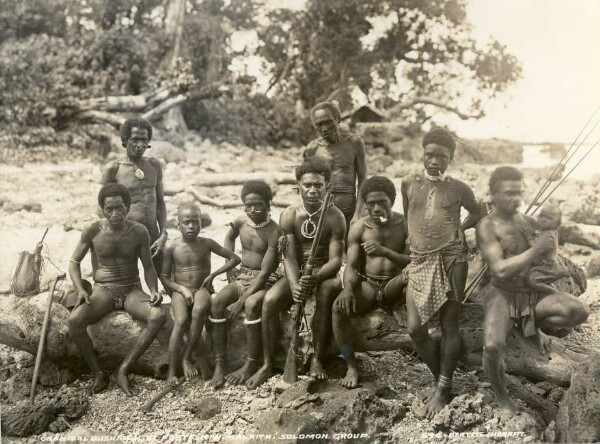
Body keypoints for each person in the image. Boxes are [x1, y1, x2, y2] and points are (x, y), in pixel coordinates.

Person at [477, 166, 589, 416]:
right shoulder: (486, 226)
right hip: (502, 294)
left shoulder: (527, 221)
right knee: (493, 346)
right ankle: (502, 396)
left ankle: (533, 326)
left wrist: (552, 257)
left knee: (578, 310)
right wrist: (535, 251)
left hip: (531, 292)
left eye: (518, 192)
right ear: (493, 193)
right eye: (508, 193)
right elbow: (500, 270)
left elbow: (546, 259)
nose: (515, 198)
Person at [246, 157, 346, 389]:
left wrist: (316, 278)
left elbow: (335, 261)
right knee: (269, 301)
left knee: (325, 294)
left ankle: (317, 359)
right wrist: (295, 286)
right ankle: (268, 363)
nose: (312, 190)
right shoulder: (289, 215)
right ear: (298, 186)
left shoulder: (335, 216)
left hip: (324, 272)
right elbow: (289, 257)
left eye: (318, 185)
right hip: (296, 272)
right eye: (307, 185)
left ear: (326, 187)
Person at [400, 128, 481, 418]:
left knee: (449, 326)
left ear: (452, 158)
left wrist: (461, 228)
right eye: (430, 155)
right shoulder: (408, 183)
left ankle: (443, 389)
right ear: (421, 153)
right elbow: (410, 216)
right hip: (420, 260)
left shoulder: (459, 188)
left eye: (442, 157)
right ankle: (439, 380)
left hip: (452, 261)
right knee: (414, 328)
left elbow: (479, 211)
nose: (434, 161)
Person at [68, 184, 167, 396]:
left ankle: (123, 370)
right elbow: (73, 263)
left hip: (131, 289)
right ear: (101, 209)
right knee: (74, 321)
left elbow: (148, 267)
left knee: (158, 315)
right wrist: (80, 290)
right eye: (109, 209)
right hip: (104, 290)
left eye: (120, 208)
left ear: (128, 207)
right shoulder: (93, 230)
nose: (115, 213)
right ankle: (98, 373)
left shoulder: (139, 231)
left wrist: (153, 290)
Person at [333, 176, 410, 388]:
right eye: (371, 203)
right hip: (368, 285)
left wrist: (385, 251)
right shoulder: (359, 228)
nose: (376, 208)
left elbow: (412, 262)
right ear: (365, 204)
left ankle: (397, 307)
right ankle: (351, 365)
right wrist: (348, 289)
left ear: (392, 201)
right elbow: (351, 265)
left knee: (411, 278)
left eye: (382, 202)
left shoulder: (404, 223)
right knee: (338, 309)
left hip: (394, 284)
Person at [208, 180, 283, 388]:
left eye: (258, 204)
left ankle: (251, 363)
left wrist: (240, 302)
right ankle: (220, 364)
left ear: (269, 204)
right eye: (248, 205)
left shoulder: (274, 232)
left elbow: (266, 271)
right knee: (216, 303)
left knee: (251, 305)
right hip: (242, 276)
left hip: (264, 281)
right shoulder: (241, 221)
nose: (253, 210)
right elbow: (229, 237)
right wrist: (230, 264)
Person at [161, 203, 240, 384]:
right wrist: (181, 289)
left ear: (201, 224)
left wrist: (213, 275)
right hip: (180, 291)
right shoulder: (171, 248)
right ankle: (172, 372)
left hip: (201, 289)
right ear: (178, 224)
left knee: (199, 310)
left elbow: (235, 258)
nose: (191, 227)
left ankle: (186, 357)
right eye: (186, 222)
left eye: (195, 222)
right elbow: (164, 277)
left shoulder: (206, 243)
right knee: (180, 321)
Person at [101, 118, 167, 271]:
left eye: (144, 140)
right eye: (135, 139)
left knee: (165, 274)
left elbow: (160, 202)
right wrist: (112, 236)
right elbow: (102, 207)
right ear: (124, 141)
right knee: (128, 281)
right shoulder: (113, 169)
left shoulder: (154, 165)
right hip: (126, 234)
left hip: (153, 233)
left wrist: (164, 233)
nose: (140, 144)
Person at [303, 101, 367, 230]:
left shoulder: (355, 143)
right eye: (319, 124)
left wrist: (358, 213)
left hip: (350, 209)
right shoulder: (312, 149)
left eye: (328, 122)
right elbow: (305, 183)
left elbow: (363, 179)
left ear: (338, 119)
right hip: (321, 210)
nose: (324, 128)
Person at [525, 204, 569, 293]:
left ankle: (552, 292)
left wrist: (529, 237)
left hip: (548, 266)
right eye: (541, 216)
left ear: (558, 223)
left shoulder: (549, 235)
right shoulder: (548, 232)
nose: (543, 220)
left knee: (532, 279)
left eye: (549, 218)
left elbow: (536, 248)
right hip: (545, 264)